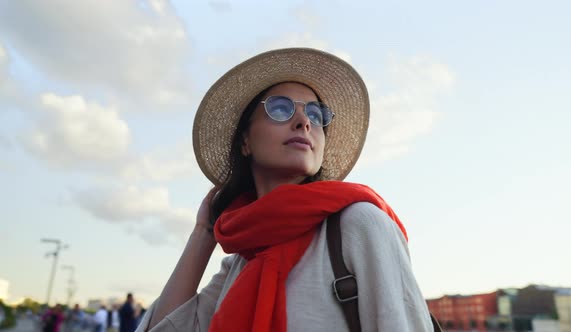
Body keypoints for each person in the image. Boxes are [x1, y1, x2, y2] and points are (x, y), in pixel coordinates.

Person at [138, 48, 433, 331]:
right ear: (245, 142)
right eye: (281, 109)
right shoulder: (239, 263)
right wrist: (203, 234)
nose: (304, 122)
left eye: (316, 115)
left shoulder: (360, 225)